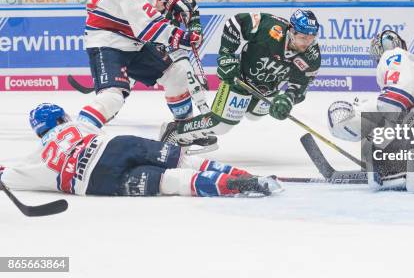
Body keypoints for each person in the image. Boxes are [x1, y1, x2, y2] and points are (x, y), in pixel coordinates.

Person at [0, 103, 279, 197]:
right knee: (182, 162)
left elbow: (7, 175)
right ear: (62, 119)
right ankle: (248, 177)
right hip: (115, 147)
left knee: (173, 182)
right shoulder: (77, 124)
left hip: (97, 182)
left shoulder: (33, 159)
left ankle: (239, 186)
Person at [79, 0, 208, 133]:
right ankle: (77, 136)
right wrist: (183, 38)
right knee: (112, 97)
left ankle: (184, 130)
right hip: (108, 42)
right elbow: (149, 27)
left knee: (176, 75)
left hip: (134, 43)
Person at [327, 30, 414, 191]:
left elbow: (396, 98)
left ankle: (394, 173)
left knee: (377, 152)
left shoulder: (393, 56)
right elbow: (390, 105)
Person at [160, 9, 321, 144]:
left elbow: (301, 85)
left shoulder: (312, 56)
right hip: (239, 78)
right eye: (303, 37)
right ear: (291, 31)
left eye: (311, 37)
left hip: (268, 89)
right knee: (222, 125)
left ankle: (246, 107)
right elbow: (235, 23)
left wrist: (289, 98)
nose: (307, 42)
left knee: (254, 115)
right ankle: (176, 131)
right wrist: (226, 55)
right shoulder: (270, 27)